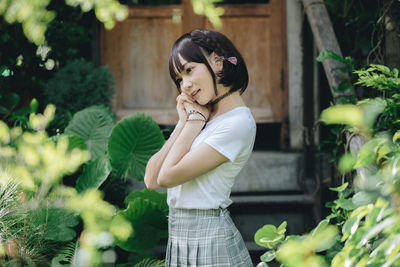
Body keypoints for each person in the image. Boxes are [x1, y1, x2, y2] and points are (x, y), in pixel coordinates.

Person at [144, 29, 256, 267]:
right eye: (179, 79)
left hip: (210, 240)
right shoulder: (199, 115)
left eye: (189, 70)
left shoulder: (238, 123)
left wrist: (193, 123)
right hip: (180, 237)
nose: (185, 85)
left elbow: (167, 176)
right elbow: (151, 178)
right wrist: (186, 122)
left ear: (217, 60)